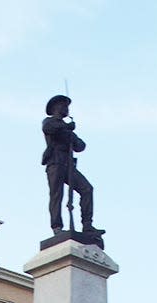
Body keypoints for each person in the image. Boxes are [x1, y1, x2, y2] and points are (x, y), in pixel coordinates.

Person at [42, 94, 103, 238]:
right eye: (64, 106)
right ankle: (57, 227)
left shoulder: (67, 130)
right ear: (56, 108)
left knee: (87, 189)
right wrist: (67, 127)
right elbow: (49, 128)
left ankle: (87, 225)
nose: (66, 109)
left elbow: (80, 146)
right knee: (57, 195)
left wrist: (71, 134)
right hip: (55, 162)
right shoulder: (50, 122)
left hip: (68, 164)